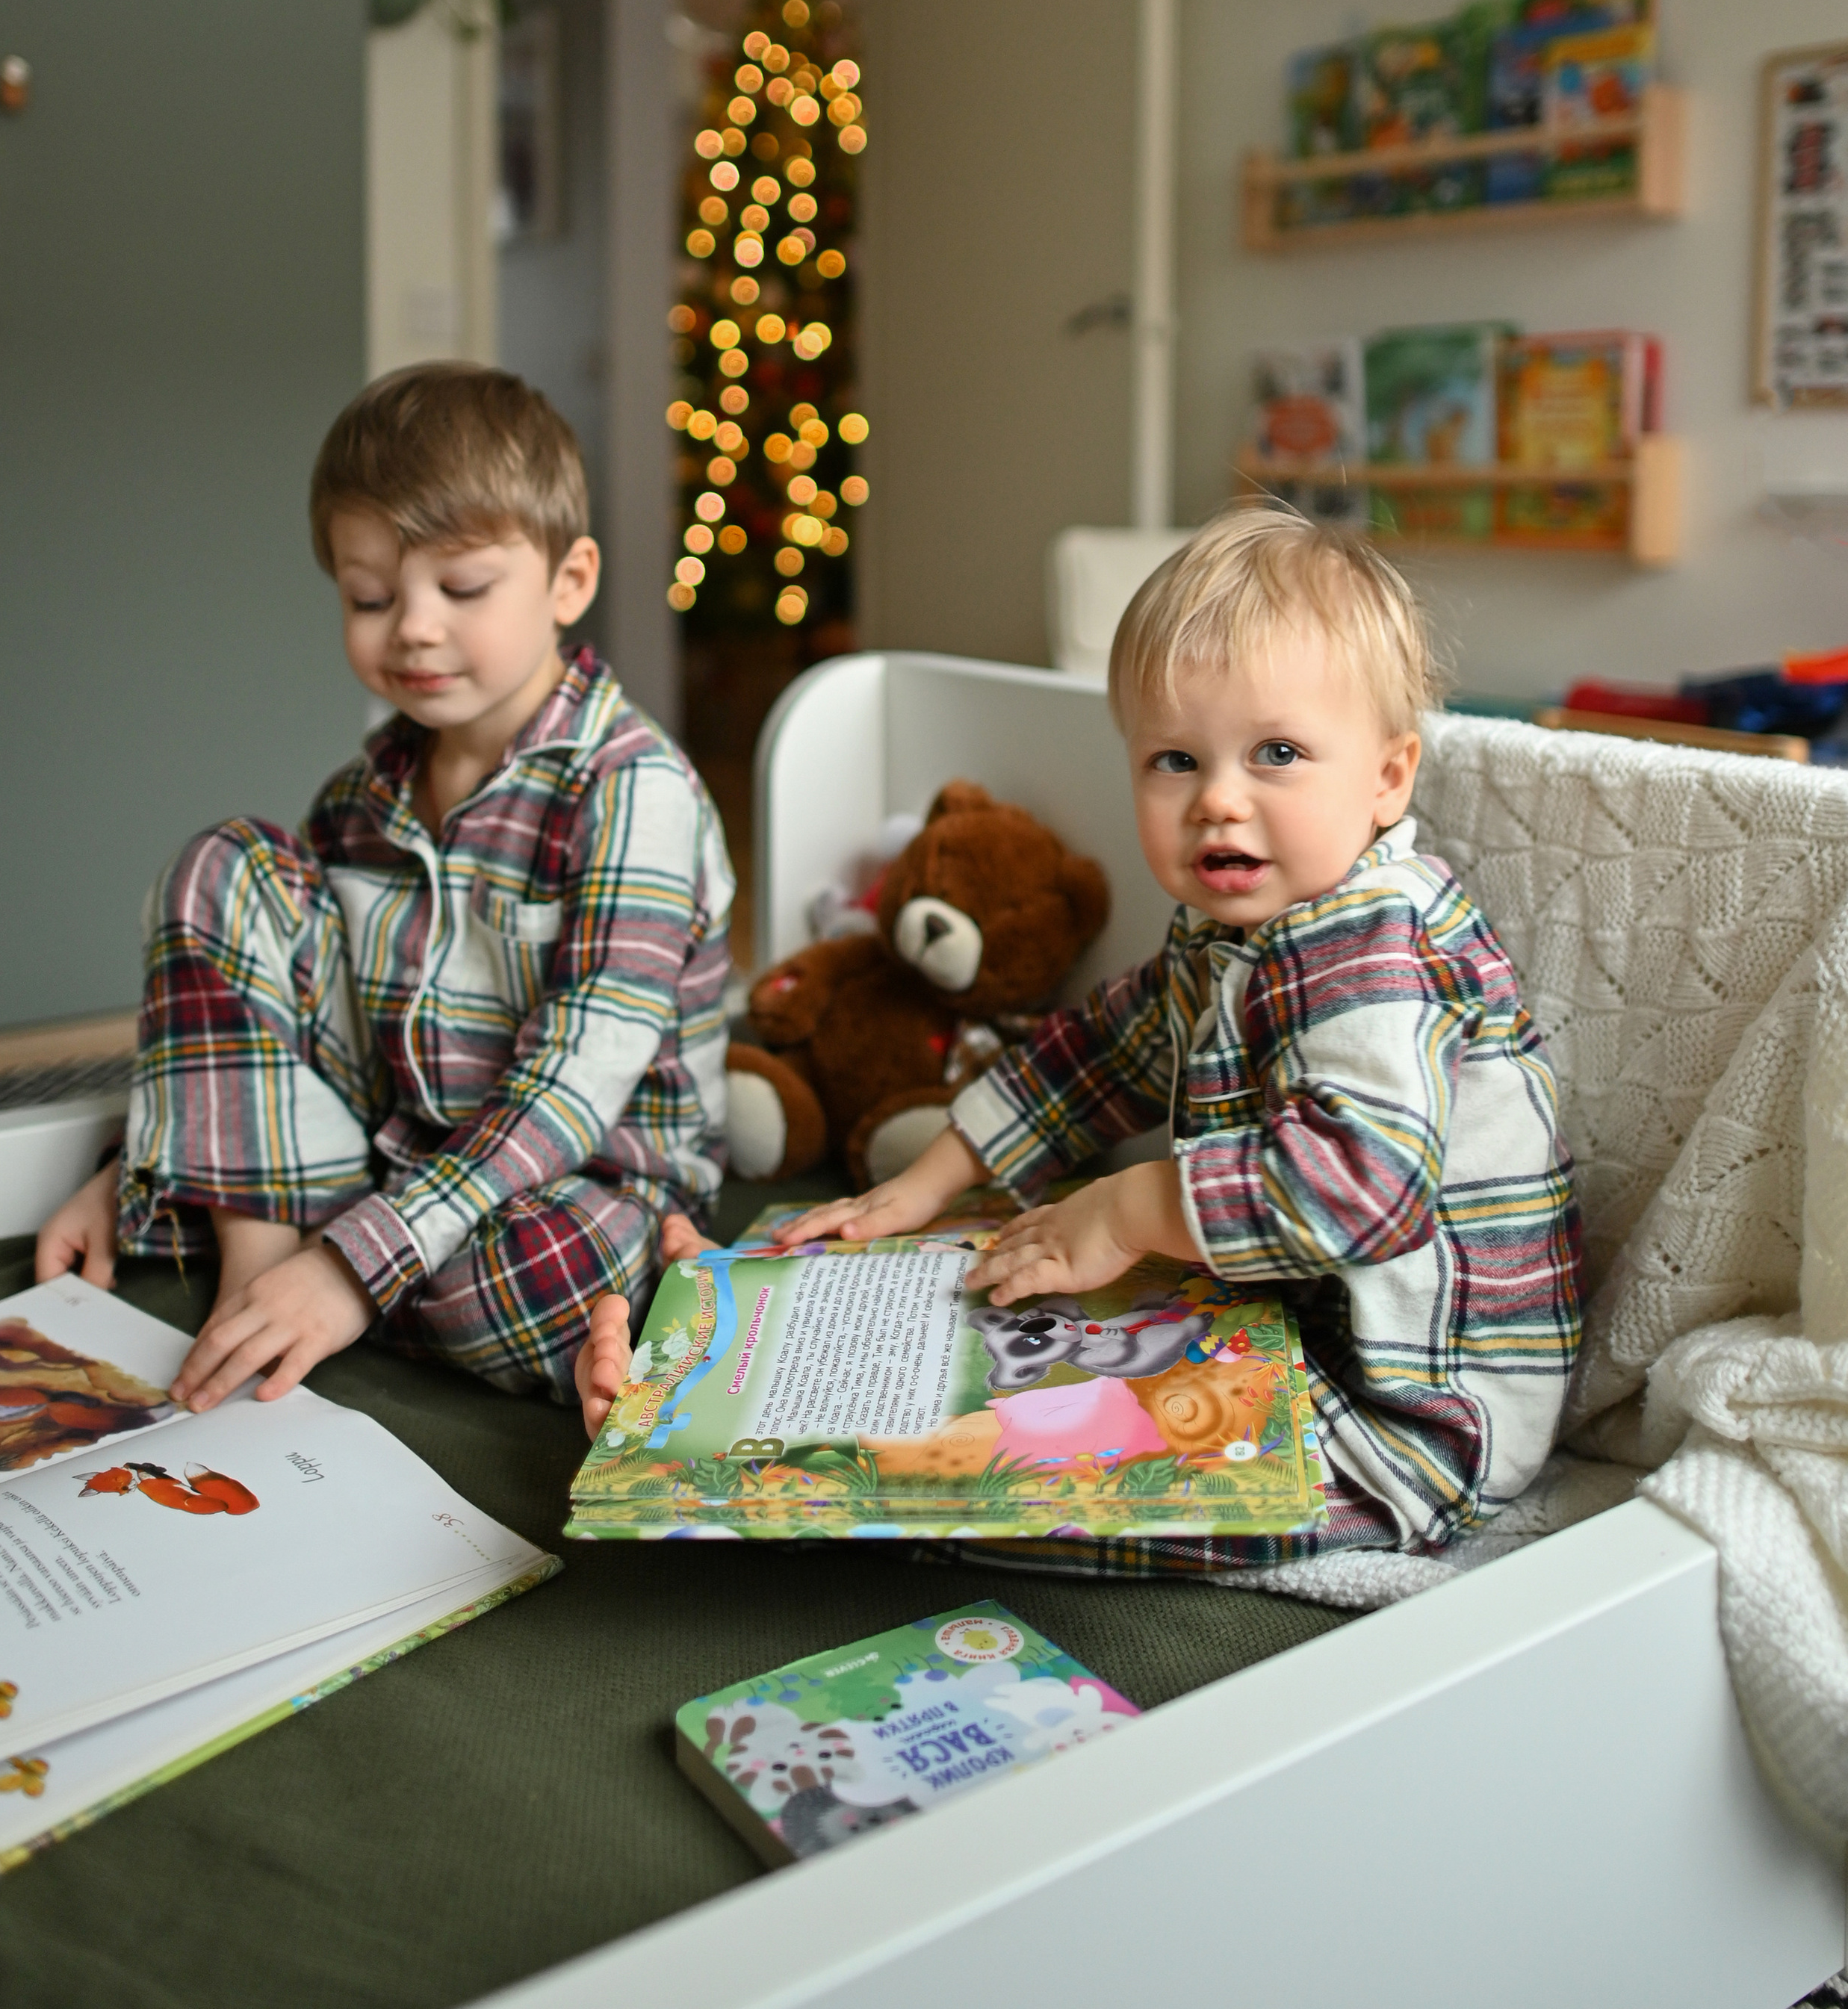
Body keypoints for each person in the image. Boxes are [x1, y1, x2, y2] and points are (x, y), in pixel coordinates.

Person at [576, 506, 1581, 1572]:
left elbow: (1362, 1190)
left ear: (1387, 778)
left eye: (1277, 754)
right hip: (1286, 1322)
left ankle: (784, 1482)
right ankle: (733, 1369)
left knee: (1046, 1484)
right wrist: (925, 1186)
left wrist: (1131, 1206)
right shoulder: (1234, 929)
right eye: (1175, 760)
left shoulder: (1368, 949)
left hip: (1407, 1413)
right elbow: (1097, 1053)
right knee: (1001, 1304)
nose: (1219, 802)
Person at [38, 363, 733, 1415]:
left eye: (461, 590)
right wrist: (135, 1158)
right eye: (370, 597)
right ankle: (257, 1278)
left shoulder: (631, 789)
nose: (410, 627)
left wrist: (358, 1256)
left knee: (555, 1273)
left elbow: (572, 1094)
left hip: (577, 1177)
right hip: (394, 1143)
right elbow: (257, 1010)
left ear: (568, 581)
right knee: (222, 865)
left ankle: (322, 1264)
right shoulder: (364, 792)